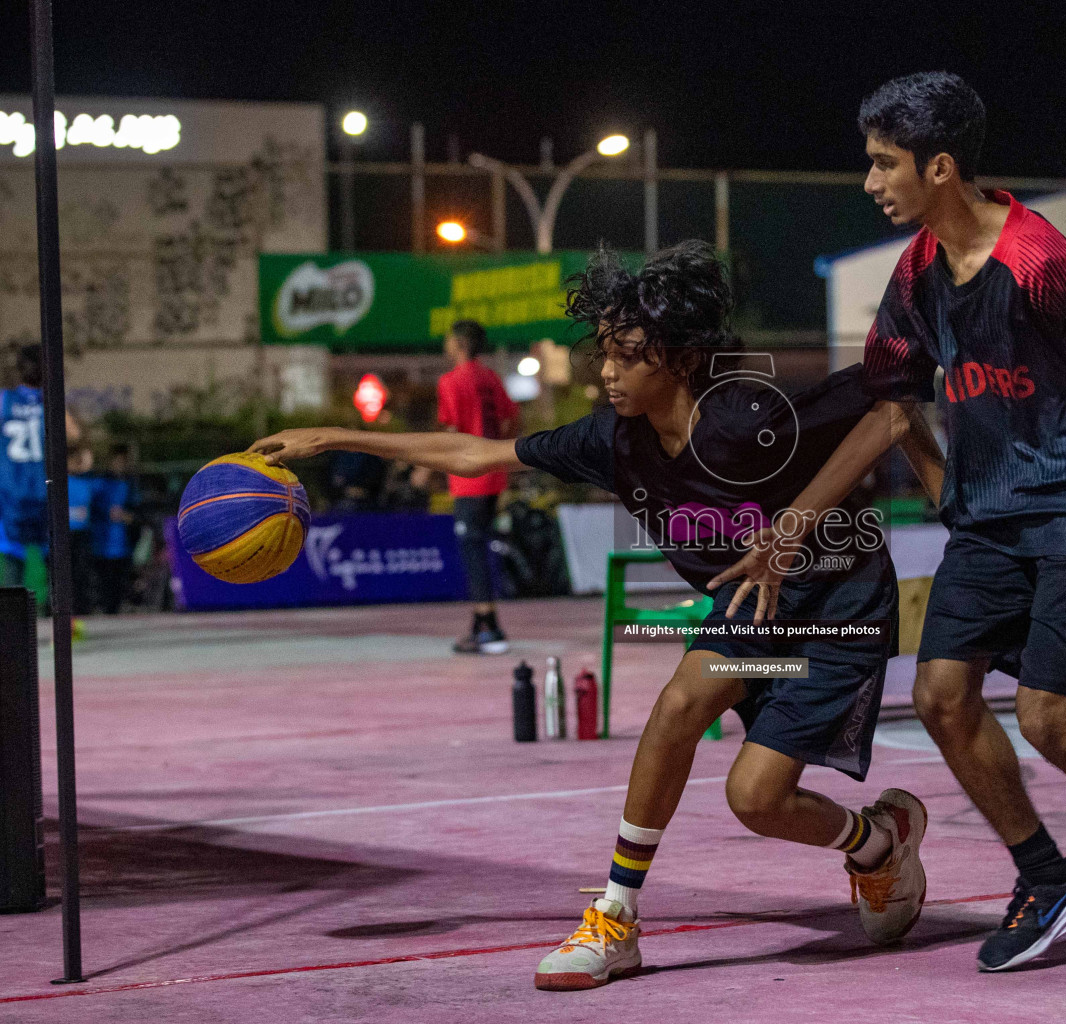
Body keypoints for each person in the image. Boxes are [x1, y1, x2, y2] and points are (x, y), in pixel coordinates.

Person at [251, 241, 934, 989]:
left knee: (755, 799)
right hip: (750, 614)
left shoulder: (746, 414)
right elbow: (473, 453)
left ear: (675, 357)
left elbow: (889, 408)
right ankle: (616, 918)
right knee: (680, 701)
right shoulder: (609, 440)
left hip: (835, 615)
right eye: (603, 353)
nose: (606, 371)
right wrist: (331, 437)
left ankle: (878, 844)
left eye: (626, 355)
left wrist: (796, 524)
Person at [721, 72, 1066, 977]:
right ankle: (1049, 879)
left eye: (884, 165)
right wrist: (793, 523)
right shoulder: (918, 270)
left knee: (1046, 715)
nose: (870, 182)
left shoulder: (1040, 263)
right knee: (942, 696)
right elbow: (889, 409)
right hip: (994, 514)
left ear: (941, 167)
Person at [437, 319, 522, 654]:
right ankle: (480, 621)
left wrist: (427, 463)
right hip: (493, 472)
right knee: (479, 545)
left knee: (471, 548)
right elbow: (511, 417)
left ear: (459, 343)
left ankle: (489, 625)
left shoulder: (451, 380)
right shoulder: (490, 377)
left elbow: (452, 430)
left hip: (467, 476)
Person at [0, 344, 81, 587]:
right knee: (52, 554)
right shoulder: (48, 400)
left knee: (13, 557)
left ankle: (13, 619)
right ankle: (56, 613)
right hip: (43, 488)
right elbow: (74, 435)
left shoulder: (4, 398)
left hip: (9, 489)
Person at [93, 442, 138, 615]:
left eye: (124, 461)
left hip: (123, 545)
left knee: (120, 581)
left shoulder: (131, 485)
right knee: (105, 581)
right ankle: (106, 609)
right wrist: (106, 513)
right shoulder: (101, 483)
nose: (121, 465)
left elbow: (139, 511)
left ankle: (115, 609)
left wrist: (130, 517)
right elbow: (92, 508)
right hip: (103, 543)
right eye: (117, 461)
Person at [66, 445, 98, 615]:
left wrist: (82, 444)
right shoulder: (58, 482)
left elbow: (88, 461)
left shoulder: (86, 482)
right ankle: (65, 610)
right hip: (65, 536)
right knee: (65, 576)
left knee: (81, 574)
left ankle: (81, 610)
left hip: (82, 534)